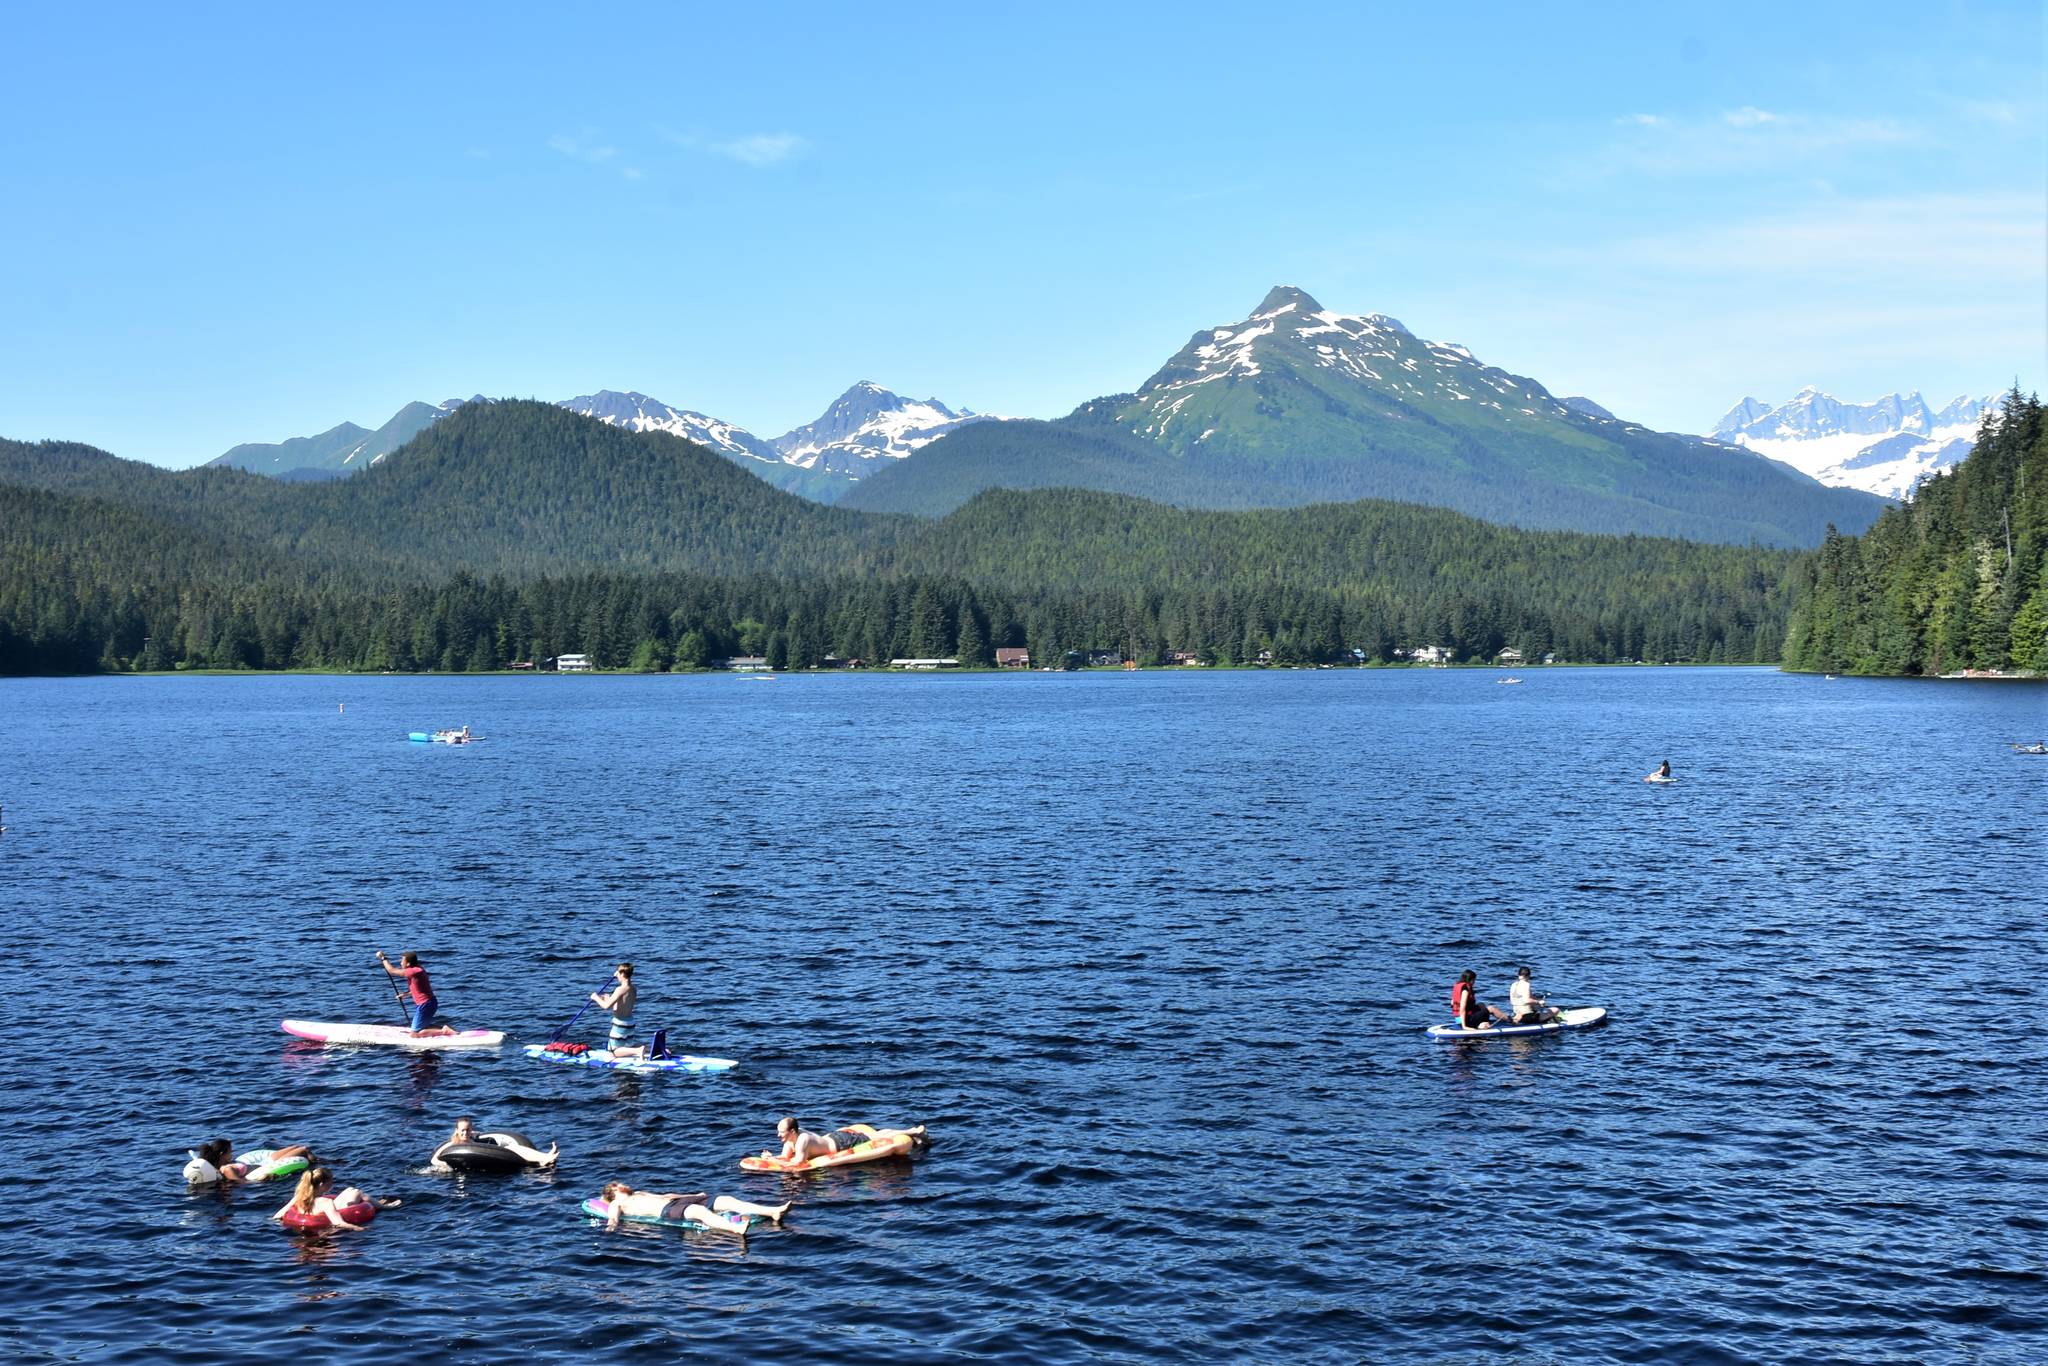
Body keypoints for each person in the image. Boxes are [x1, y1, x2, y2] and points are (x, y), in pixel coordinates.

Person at [596, 1182, 789, 1236]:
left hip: (675, 1203)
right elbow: (613, 1219)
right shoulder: (616, 1203)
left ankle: (772, 1211)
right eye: (618, 1185)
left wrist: (695, 1195)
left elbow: (667, 1196)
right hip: (666, 1213)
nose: (623, 1184)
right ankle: (735, 1229)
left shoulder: (638, 1192)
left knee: (725, 1199)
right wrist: (610, 1229)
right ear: (613, 1192)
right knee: (698, 1212)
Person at [271, 1167, 397, 1228]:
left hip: (317, 1213)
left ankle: (379, 1204)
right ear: (322, 1184)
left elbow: (278, 1215)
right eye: (330, 1181)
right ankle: (384, 1207)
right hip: (325, 1215)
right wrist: (360, 1229)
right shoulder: (325, 1202)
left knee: (350, 1190)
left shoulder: (299, 1196)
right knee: (357, 1192)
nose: (332, 1184)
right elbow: (338, 1223)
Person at [431, 1117, 557, 1170]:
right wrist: (445, 1165)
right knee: (513, 1149)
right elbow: (434, 1160)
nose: (465, 1133)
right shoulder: (453, 1143)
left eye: (468, 1129)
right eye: (463, 1130)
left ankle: (543, 1157)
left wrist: (475, 1134)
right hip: (465, 1167)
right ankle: (543, 1158)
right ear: (457, 1131)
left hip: (486, 1159)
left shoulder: (472, 1137)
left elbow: (480, 1134)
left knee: (513, 1147)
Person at [376, 950, 448, 1036]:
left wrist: (383, 958)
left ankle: (445, 1031)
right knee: (421, 1028)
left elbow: (392, 971)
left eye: (402, 961)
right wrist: (405, 995)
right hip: (429, 1003)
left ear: (408, 964)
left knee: (414, 1034)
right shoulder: (417, 969)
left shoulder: (413, 971)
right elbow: (419, 989)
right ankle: (436, 1031)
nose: (400, 963)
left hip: (425, 1005)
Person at [591, 964, 637, 1055]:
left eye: (619, 973)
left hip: (620, 1024)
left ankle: (638, 1050)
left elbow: (606, 1006)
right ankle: (654, 1050)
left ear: (622, 974)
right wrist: (610, 998)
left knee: (612, 1051)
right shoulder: (633, 988)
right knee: (627, 1047)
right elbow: (621, 1006)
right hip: (630, 1022)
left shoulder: (620, 989)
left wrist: (596, 997)